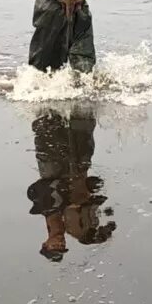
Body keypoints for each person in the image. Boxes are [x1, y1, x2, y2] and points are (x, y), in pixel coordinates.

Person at [26, 105, 115, 261]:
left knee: (48, 121)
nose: (60, 244)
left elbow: (36, 190)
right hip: (79, 169)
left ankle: (43, 93)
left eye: (54, 247)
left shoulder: (49, 214)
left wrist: (67, 198)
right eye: (61, 247)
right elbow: (92, 193)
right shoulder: (77, 227)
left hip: (52, 166)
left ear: (45, 244)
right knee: (83, 123)